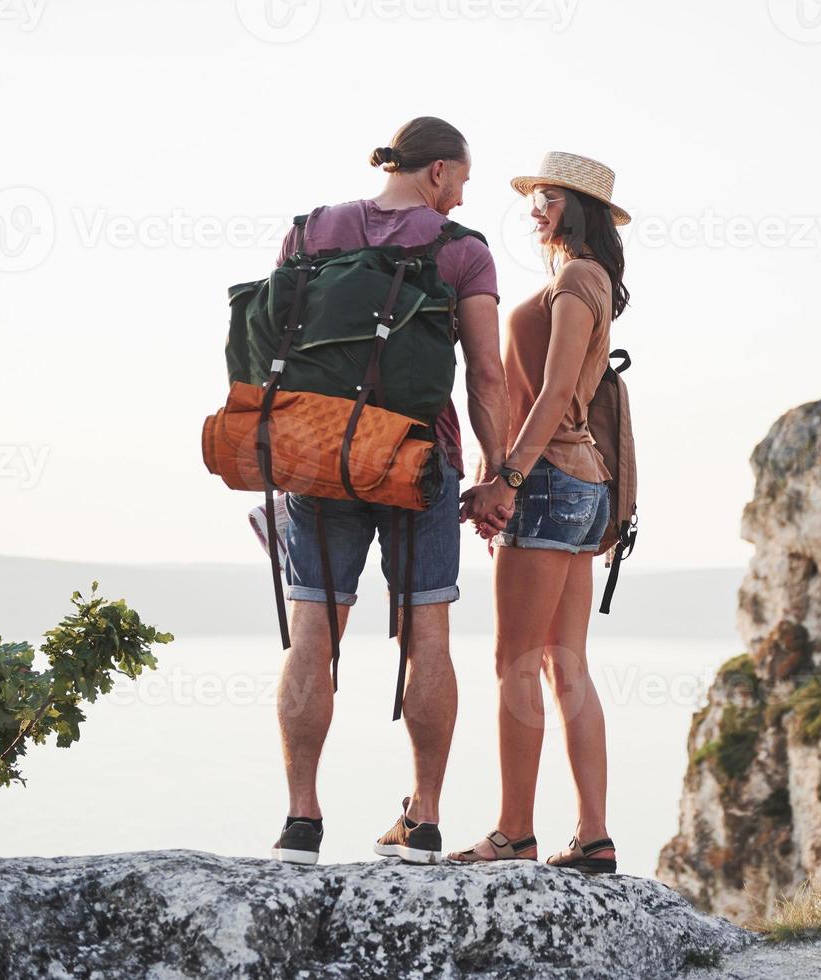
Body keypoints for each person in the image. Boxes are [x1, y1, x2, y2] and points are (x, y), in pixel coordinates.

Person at [270, 117, 514, 867]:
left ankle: (300, 824)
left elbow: (279, 345)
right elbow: (485, 374)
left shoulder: (309, 232)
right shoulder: (461, 250)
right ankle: (426, 820)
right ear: (438, 172)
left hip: (316, 455)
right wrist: (496, 470)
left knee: (315, 630)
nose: (460, 199)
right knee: (426, 635)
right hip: (417, 458)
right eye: (463, 183)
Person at [446, 152, 631, 875]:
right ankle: (591, 836)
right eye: (534, 197)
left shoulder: (578, 278)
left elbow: (554, 393)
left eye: (547, 198)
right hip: (579, 482)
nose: (534, 209)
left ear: (577, 209)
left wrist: (507, 478)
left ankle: (513, 833)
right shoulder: (586, 280)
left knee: (516, 663)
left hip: (550, 477)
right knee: (564, 665)